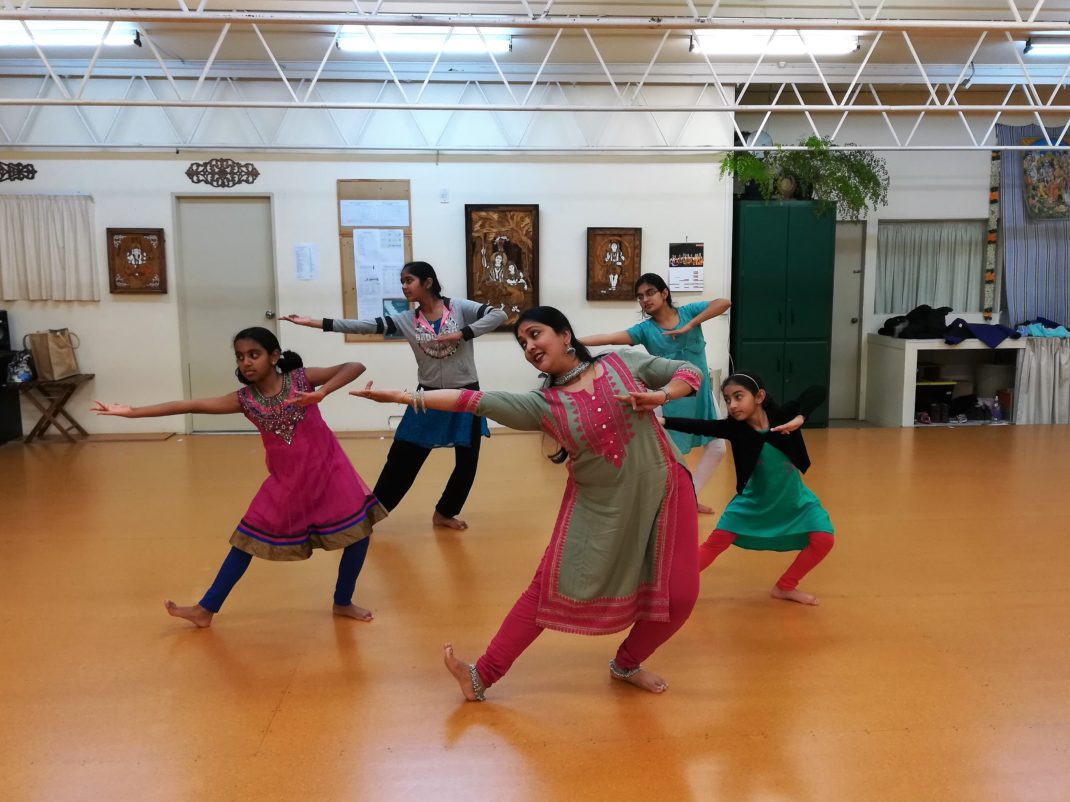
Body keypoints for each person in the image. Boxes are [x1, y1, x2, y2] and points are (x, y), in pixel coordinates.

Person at [352, 306, 704, 701]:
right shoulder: (543, 405)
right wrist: (404, 396)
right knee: (547, 587)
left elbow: (689, 374)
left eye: (536, 335)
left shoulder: (622, 363)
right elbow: (474, 400)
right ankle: (480, 676)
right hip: (601, 508)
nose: (529, 346)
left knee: (683, 595)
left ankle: (626, 663)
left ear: (565, 335)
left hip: (666, 488)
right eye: (522, 343)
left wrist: (661, 395)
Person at [92, 327, 385, 627]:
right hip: (286, 482)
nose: (246, 362)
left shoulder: (300, 380)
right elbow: (189, 405)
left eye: (253, 355)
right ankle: (205, 609)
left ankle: (343, 601)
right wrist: (132, 412)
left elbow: (355, 367)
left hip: (329, 471)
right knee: (246, 540)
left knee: (359, 534)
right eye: (240, 357)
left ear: (274, 357)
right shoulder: (245, 400)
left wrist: (322, 391)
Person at [283, 261, 506, 531]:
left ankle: (445, 512)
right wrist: (315, 323)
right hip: (426, 397)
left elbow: (498, 316)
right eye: (402, 281)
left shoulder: (458, 308)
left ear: (428, 282)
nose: (404, 286)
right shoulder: (406, 320)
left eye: (408, 280)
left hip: (465, 394)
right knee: (403, 458)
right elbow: (362, 325)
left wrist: (462, 332)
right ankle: (369, 516)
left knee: (467, 462)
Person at [661, 373, 834, 606]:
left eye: (738, 397)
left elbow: (817, 389)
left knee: (824, 539)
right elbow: (700, 426)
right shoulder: (735, 429)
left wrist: (801, 417)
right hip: (752, 503)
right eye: (727, 399)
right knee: (714, 545)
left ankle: (785, 586)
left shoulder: (783, 416)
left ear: (760, 396)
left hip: (794, 501)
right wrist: (663, 422)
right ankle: (667, 589)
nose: (732, 405)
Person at [582, 273, 731, 514]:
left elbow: (723, 303)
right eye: (640, 297)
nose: (645, 300)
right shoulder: (645, 330)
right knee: (665, 454)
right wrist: (573, 344)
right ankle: (664, 501)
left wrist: (691, 325)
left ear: (664, 293)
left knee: (717, 448)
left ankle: (690, 496)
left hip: (700, 394)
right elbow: (610, 337)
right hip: (666, 398)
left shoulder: (689, 312)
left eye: (650, 292)